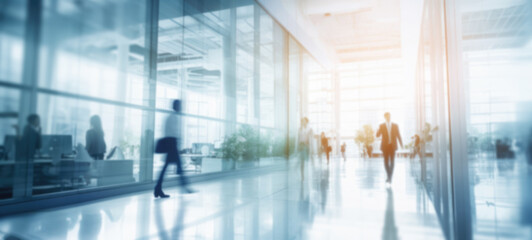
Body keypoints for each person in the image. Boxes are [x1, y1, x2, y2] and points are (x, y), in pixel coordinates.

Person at [154, 100, 194, 198]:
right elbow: (173, 133)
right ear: (176, 106)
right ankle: (184, 186)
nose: (181, 107)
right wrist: (177, 145)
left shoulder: (171, 117)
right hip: (171, 143)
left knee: (169, 167)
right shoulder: (173, 117)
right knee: (178, 167)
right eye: (180, 105)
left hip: (171, 143)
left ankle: (158, 188)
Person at [376, 112, 403, 187]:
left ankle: (389, 177)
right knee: (386, 162)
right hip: (385, 146)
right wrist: (378, 130)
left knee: (392, 162)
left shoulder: (395, 125)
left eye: (389, 116)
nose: (388, 118)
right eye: (387, 117)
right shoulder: (381, 126)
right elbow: (377, 135)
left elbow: (398, 135)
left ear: (390, 117)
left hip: (392, 146)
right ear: (385, 117)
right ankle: (389, 176)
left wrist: (401, 144)